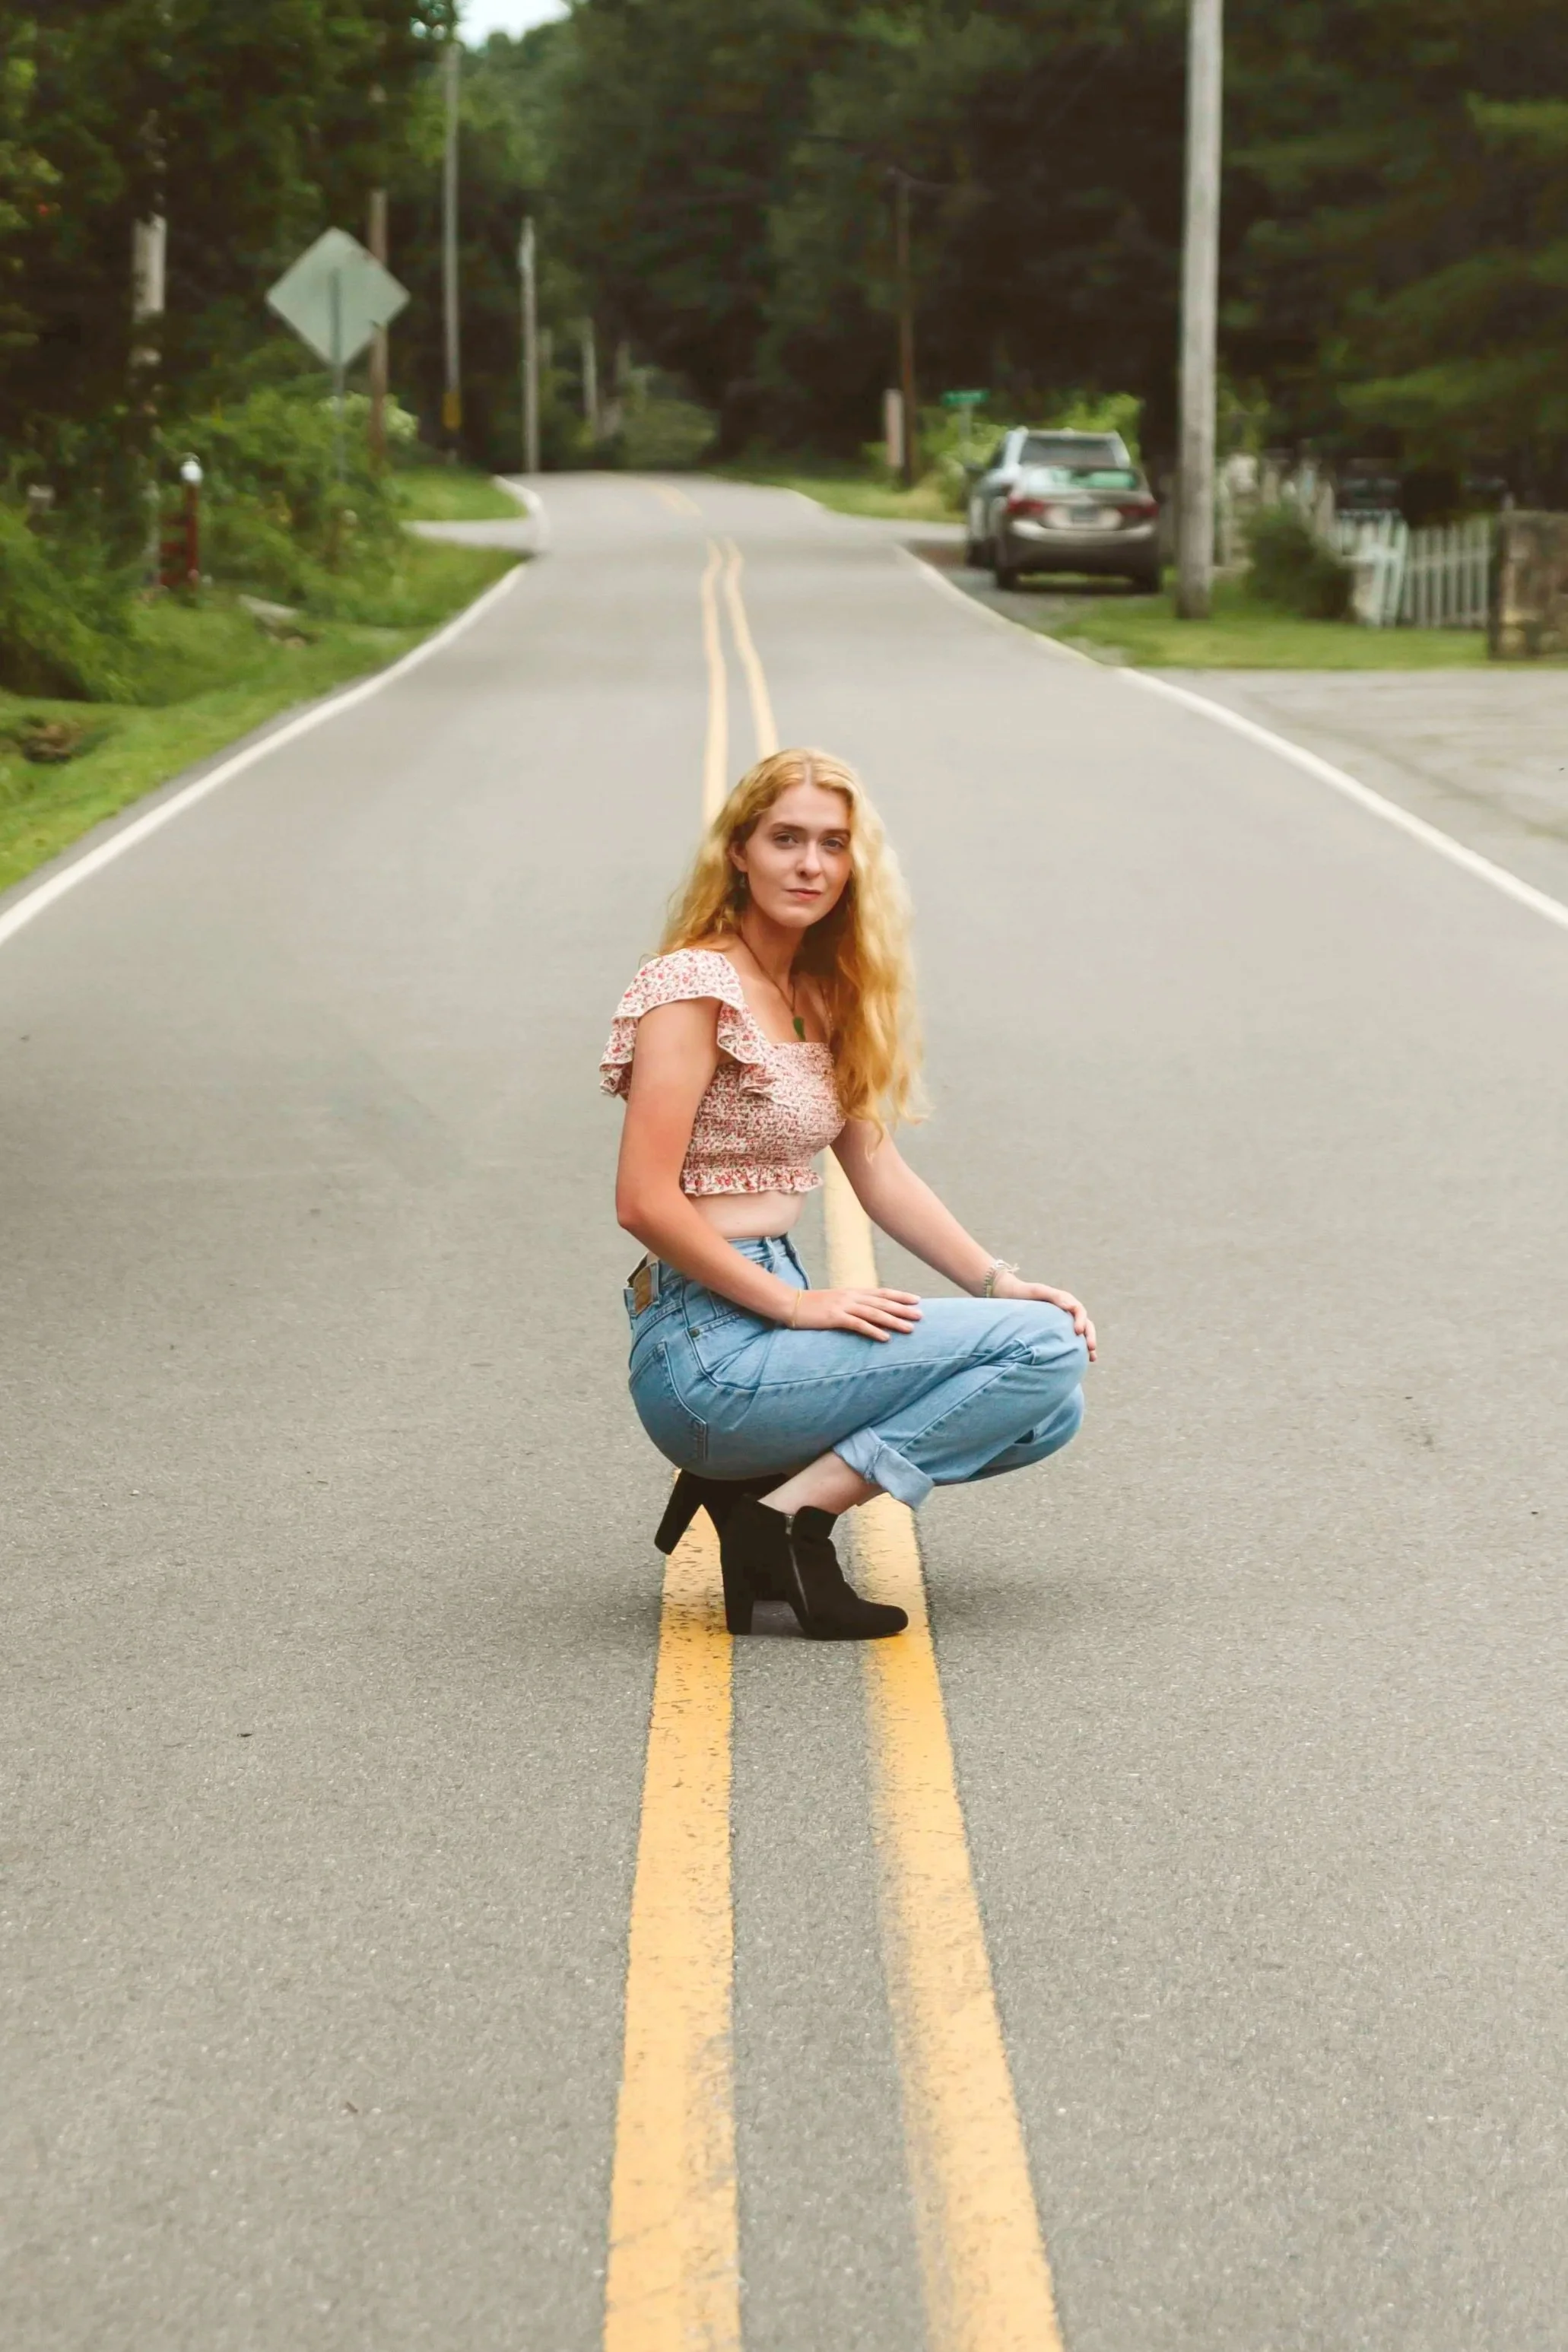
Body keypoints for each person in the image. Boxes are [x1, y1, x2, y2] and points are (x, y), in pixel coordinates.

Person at [601, 747, 1094, 1642]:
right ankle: (792, 1519)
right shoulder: (690, 987)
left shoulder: (822, 994)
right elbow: (642, 1200)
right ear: (738, 852)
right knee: (1042, 1351)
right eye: (786, 838)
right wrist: (792, 1305)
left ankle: (760, 1497)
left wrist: (998, 1283)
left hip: (762, 1309)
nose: (810, 865)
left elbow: (878, 1173)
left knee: (1051, 1401)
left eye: (833, 844)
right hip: (704, 1338)